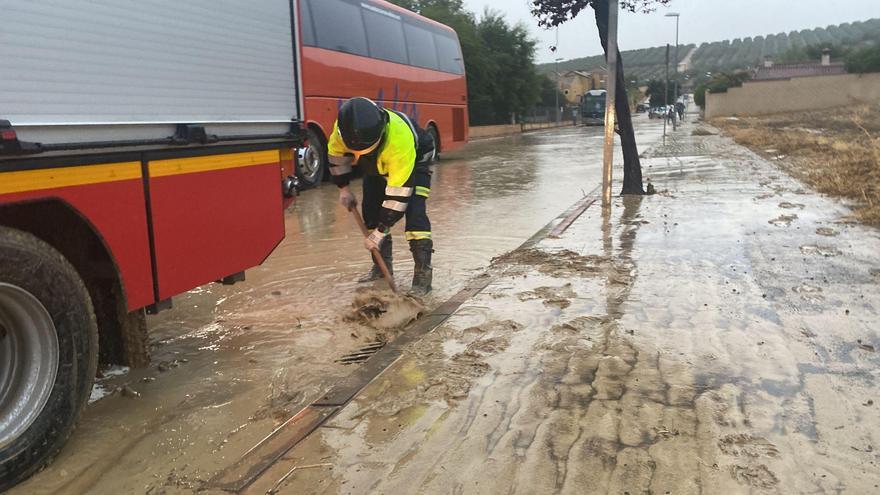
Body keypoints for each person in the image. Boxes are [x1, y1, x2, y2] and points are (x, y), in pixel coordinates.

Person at [327, 97, 436, 296]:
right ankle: (381, 270)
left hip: (416, 161)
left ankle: (423, 279)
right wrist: (343, 188)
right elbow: (336, 157)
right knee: (371, 213)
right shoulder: (344, 128)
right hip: (377, 163)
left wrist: (380, 232)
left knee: (415, 216)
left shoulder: (398, 142)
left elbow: (397, 198)